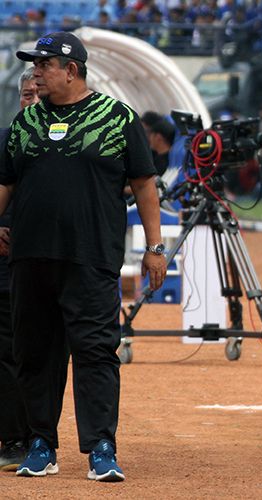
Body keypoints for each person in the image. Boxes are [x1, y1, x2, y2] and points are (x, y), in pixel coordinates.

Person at [0, 32, 167, 482]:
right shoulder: (25, 124)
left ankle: (101, 447)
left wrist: (155, 249)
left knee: (95, 351)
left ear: (70, 69)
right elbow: (6, 182)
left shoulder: (117, 118)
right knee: (35, 352)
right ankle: (41, 444)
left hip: (91, 258)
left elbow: (144, 183)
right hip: (31, 258)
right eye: (34, 65)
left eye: (43, 65)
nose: (36, 72)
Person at [0, 67, 59, 472]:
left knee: (33, 352)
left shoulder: (65, 148)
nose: (32, 101)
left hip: (47, 263)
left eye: (39, 95)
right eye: (26, 95)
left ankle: (28, 437)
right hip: (5, 265)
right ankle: (15, 436)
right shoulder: (5, 142)